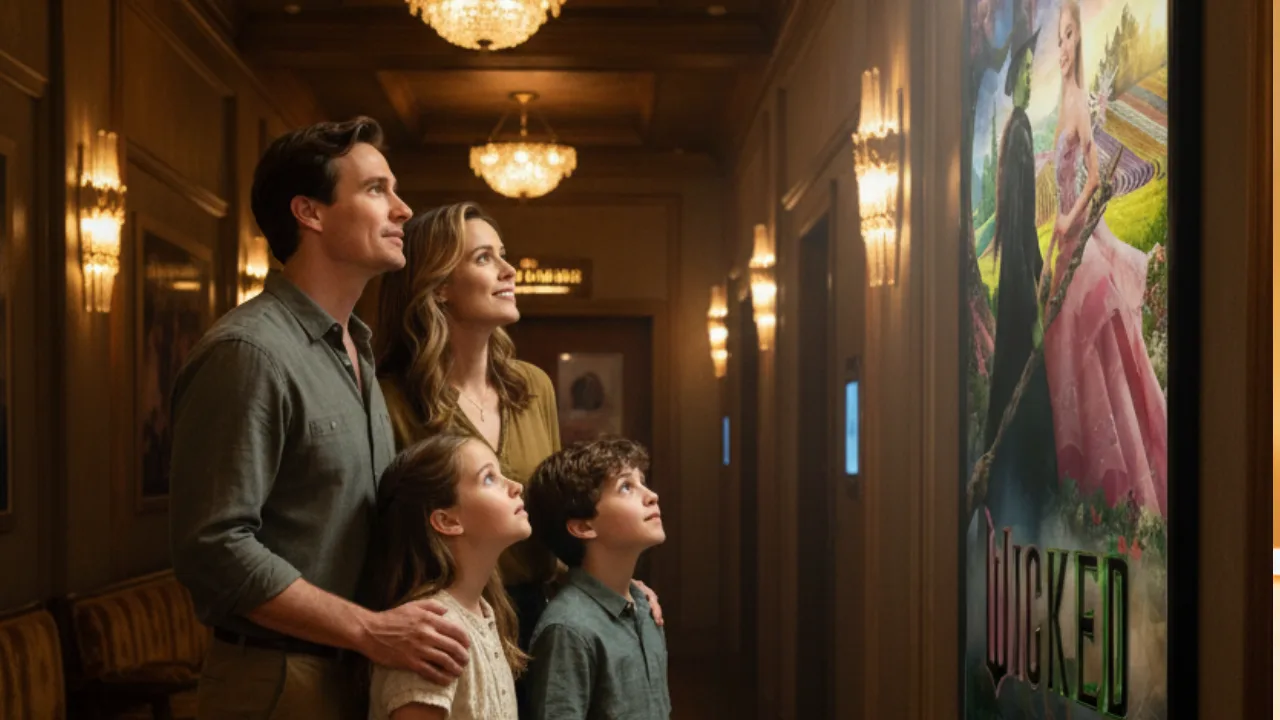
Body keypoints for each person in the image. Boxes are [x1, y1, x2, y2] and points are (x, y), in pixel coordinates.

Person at [169, 117, 471, 719]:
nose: (403, 209)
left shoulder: (357, 349)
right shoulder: (250, 352)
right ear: (309, 212)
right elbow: (214, 548)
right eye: (376, 190)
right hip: (276, 680)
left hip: (353, 670)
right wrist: (369, 630)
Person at [372, 203, 664, 678]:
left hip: (538, 614)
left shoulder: (533, 387)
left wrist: (612, 582)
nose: (510, 271)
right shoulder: (389, 400)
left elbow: (555, 515)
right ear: (439, 285)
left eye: (503, 254)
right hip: (444, 625)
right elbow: (380, 537)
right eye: (485, 258)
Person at [1043, 0, 1167, 515]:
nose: (1063, 48)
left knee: (1093, 352)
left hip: (1080, 237)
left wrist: (1070, 222)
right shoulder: (1064, 105)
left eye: (1068, 36)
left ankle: (1114, 484)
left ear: (1079, 40)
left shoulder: (1075, 106)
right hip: (1066, 244)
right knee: (1069, 355)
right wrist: (1053, 251)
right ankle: (1087, 491)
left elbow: (1095, 177)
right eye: (1058, 39)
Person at [364, 432, 532, 720]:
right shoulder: (429, 630)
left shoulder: (486, 613)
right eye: (489, 478)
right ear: (447, 520)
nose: (516, 487)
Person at [522, 438, 671, 720]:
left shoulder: (646, 608)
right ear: (583, 526)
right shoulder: (568, 628)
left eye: (643, 481)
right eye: (626, 487)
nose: (651, 495)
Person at [981, 27, 1058, 521]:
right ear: (1016, 82)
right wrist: (1031, 305)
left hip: (1016, 292)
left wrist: (1039, 266)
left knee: (1013, 385)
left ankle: (1009, 491)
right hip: (1016, 297)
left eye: (1033, 71)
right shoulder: (1020, 137)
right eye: (1026, 72)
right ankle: (1029, 497)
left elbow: (1024, 225)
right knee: (1024, 389)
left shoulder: (1018, 131)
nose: (1031, 78)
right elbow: (1015, 226)